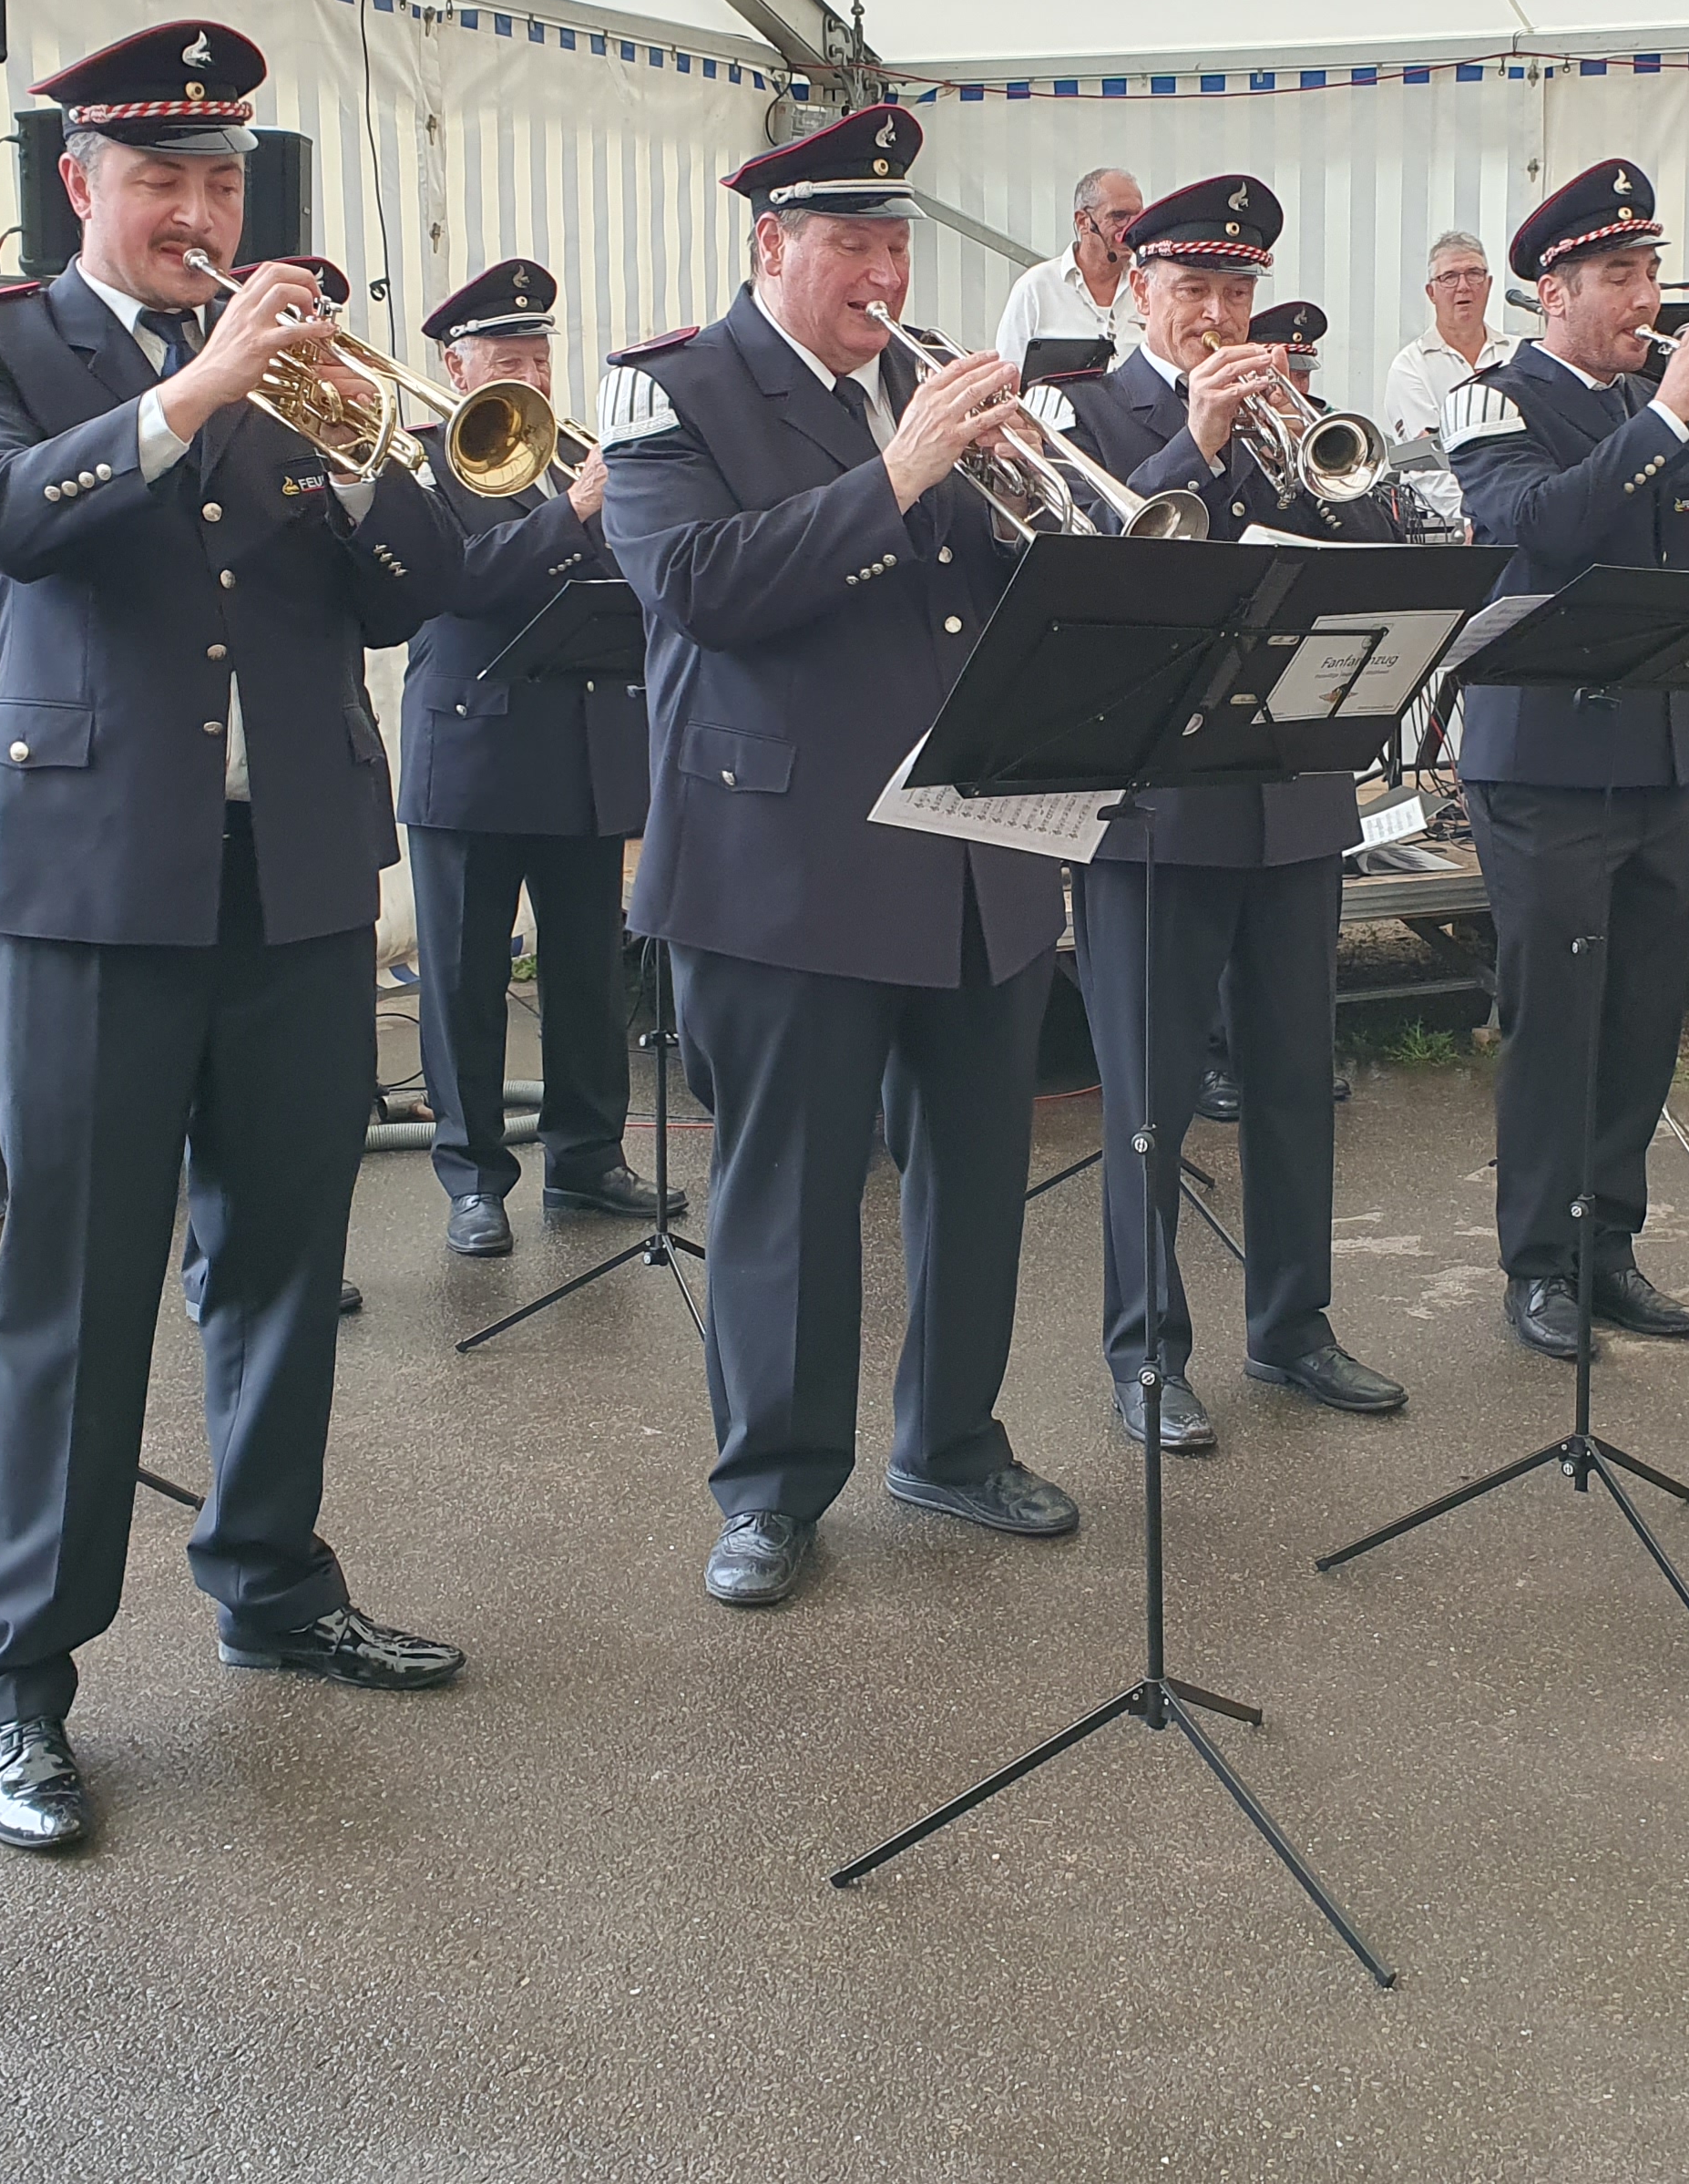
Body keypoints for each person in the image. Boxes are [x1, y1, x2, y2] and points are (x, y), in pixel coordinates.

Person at [0, 20, 470, 1856]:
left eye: (223, 182)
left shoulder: (306, 372)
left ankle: (274, 1582)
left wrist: (374, 448)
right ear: (83, 187)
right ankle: (20, 1685)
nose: (200, 212)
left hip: (292, 876)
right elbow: (5, 522)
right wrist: (200, 390)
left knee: (287, 1263)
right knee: (75, 1293)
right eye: (163, 181)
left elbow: (411, 595)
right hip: (88, 889)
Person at [597, 104, 1077, 1610]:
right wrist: (901, 474)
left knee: (978, 1167)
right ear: (770, 246)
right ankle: (771, 1486)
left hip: (968, 840)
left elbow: (1010, 586)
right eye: (850, 241)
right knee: (789, 1189)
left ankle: (950, 1434)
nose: (881, 270)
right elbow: (694, 587)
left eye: (894, 240)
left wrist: (1032, 483)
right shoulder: (668, 390)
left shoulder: (928, 376)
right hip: (781, 856)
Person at [1021, 179, 1408, 1451]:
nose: (1219, 315)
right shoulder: (1079, 408)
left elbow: (1384, 542)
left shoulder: (1294, 410)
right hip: (1155, 816)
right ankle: (1146, 1353)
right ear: (1136, 291)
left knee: (1298, 1083)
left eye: (1237, 292)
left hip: (1290, 800)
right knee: (1150, 1097)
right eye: (1193, 291)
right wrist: (1189, 442)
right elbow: (1073, 553)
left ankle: (1294, 1328)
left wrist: (1334, 469)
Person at [1441, 158, 1689, 1359]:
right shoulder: (1494, 401)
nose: (1644, 296)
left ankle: (1612, 1248)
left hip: (1655, 755)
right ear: (1553, 292)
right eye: (1617, 276)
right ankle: (1537, 1264)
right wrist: (1669, 417)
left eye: (1648, 270)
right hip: (1540, 762)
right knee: (1556, 1019)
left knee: (1646, 1016)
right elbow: (1534, 528)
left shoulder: (1662, 402)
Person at [401, 253, 682, 1252]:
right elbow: (458, 580)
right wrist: (572, 516)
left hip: (584, 750)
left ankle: (587, 1156)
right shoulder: (426, 457)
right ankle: (473, 1177)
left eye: (540, 358)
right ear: (458, 365)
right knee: (466, 979)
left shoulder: (577, 455)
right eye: (508, 357)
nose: (531, 376)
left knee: (586, 971)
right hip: (474, 753)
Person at [989, 167, 1143, 364]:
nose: (1131, 226)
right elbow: (1008, 374)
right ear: (1083, 222)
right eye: (1118, 216)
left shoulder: (1151, 285)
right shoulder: (1035, 288)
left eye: (1137, 217)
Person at [1380, 230, 1509, 446]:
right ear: (1431, 293)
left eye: (1474, 273)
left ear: (1489, 284)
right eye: (1449, 277)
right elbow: (1429, 465)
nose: (1464, 286)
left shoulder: (1518, 354)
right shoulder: (1410, 367)